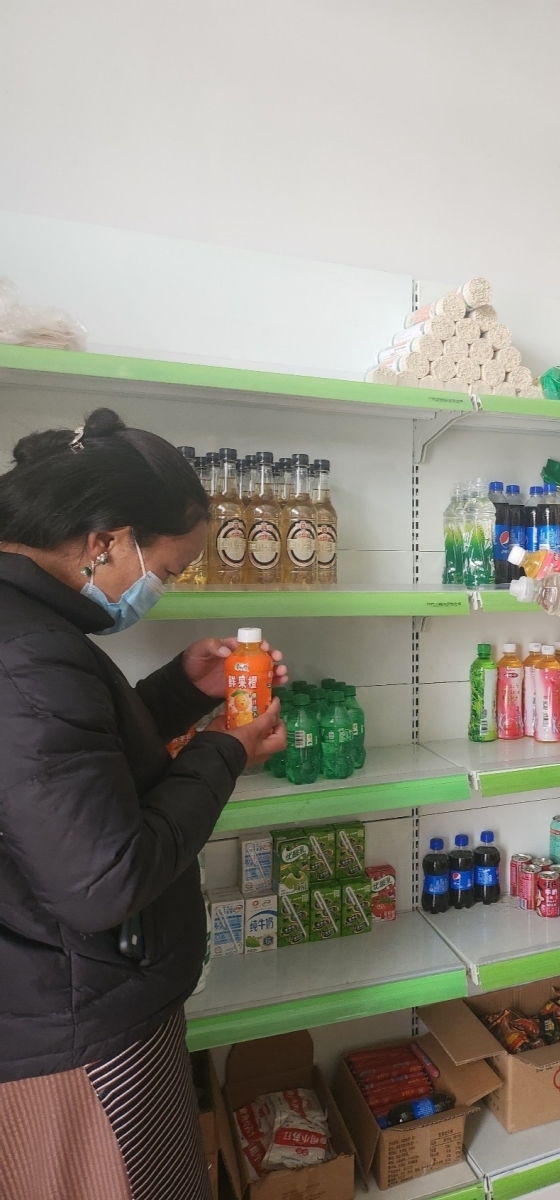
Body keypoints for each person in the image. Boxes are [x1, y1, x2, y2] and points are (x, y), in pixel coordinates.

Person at [0, 408, 287, 1200]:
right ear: (107, 542)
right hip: (78, 1033)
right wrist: (225, 750)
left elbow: (65, 774)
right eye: (170, 568)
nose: (168, 588)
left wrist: (177, 693)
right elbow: (105, 878)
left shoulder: (27, 628)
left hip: (50, 1003)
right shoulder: (29, 654)